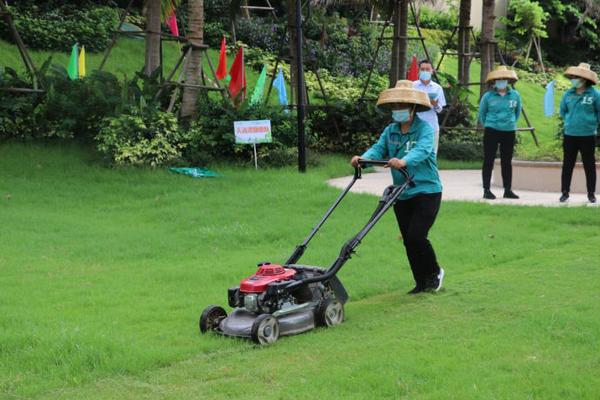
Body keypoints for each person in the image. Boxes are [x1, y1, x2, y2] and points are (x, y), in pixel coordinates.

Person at [350, 80, 444, 294]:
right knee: (408, 241)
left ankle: (434, 273)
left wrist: (404, 161)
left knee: (417, 236)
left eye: (402, 106)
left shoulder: (425, 130)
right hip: (402, 194)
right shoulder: (390, 130)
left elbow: (422, 150)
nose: (398, 110)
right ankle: (421, 283)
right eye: (395, 107)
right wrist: (362, 159)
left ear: (412, 108)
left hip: (427, 191)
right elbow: (378, 149)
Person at [478, 66, 522, 200]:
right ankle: (486, 190)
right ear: (494, 81)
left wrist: (510, 123)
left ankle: (507, 190)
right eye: (499, 79)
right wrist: (489, 125)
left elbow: (517, 112)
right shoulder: (488, 96)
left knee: (507, 161)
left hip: (509, 131)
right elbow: (482, 114)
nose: (501, 81)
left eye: (504, 79)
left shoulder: (515, 95)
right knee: (488, 160)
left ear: (508, 81)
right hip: (492, 130)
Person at [559, 62, 600, 203]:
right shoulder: (568, 94)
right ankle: (565, 192)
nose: (574, 79)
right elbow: (563, 111)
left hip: (588, 135)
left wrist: (592, 125)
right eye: (573, 76)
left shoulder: (595, 94)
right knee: (567, 164)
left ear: (585, 79)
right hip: (570, 134)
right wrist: (569, 122)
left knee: (589, 164)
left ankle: (591, 193)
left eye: (577, 77)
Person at [412, 60, 446, 153]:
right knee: (414, 153)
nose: (425, 71)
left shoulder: (437, 88)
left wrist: (435, 104)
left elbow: (440, 110)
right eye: (422, 69)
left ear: (432, 71)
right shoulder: (412, 86)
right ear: (419, 70)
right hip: (414, 126)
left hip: (432, 126)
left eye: (427, 69)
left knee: (431, 153)